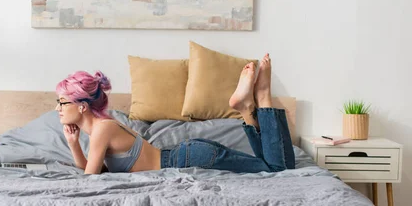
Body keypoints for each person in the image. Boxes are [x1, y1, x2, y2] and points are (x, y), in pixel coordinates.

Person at [56, 54, 295, 175]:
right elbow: (92, 169)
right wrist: (73, 143)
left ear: (81, 105)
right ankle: (249, 106)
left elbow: (90, 178)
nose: (58, 108)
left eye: (62, 102)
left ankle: (261, 97)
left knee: (275, 171)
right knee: (269, 167)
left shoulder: (102, 129)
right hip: (188, 154)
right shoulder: (102, 128)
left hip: (188, 158)